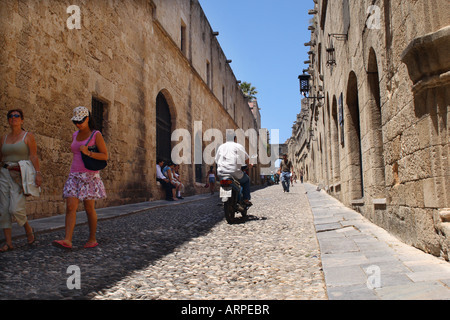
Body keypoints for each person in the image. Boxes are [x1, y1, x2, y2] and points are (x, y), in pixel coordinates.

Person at [53, 106, 107, 250]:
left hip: (89, 175)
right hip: (74, 174)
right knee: (70, 206)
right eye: (75, 121)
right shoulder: (74, 135)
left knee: (89, 208)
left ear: (87, 119)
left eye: (80, 121)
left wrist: (89, 152)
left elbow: (105, 156)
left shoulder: (96, 135)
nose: (78, 124)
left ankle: (92, 238)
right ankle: (67, 240)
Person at [0, 109, 42, 252]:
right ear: (8, 120)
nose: (14, 118)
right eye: (11, 116)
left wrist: (38, 174)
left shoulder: (28, 136)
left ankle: (28, 228)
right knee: (4, 209)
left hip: (19, 176)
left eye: (17, 116)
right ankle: (8, 243)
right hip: (4, 174)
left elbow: (33, 156)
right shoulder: (4, 138)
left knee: (15, 208)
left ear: (22, 120)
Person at [215, 136, 252, 206]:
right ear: (235, 139)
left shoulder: (221, 147)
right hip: (235, 172)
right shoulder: (238, 146)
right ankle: (245, 199)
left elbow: (216, 160)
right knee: (246, 180)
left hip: (221, 173)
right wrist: (249, 164)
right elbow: (246, 158)